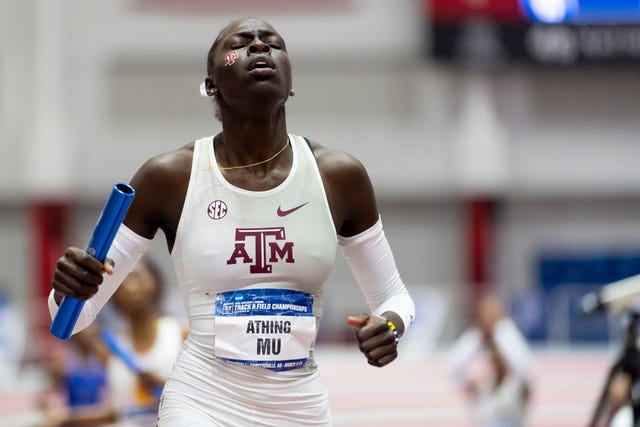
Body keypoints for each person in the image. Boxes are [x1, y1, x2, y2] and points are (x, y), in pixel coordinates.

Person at [48, 17, 415, 426]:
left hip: (300, 409)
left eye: (272, 43)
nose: (260, 47)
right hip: (202, 403)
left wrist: (391, 326)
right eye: (241, 43)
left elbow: (394, 299)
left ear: (290, 83)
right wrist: (69, 287)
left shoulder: (338, 176)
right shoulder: (168, 177)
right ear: (211, 84)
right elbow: (72, 316)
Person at [45, 257, 187, 427]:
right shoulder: (110, 349)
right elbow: (120, 412)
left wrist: (164, 386)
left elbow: (209, 395)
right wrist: (65, 419)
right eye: (122, 282)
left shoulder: (182, 334)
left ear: (156, 283)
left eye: (137, 277)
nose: (129, 286)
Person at [449, 291, 533, 427]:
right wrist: (465, 385)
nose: (489, 318)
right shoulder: (475, 338)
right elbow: (454, 364)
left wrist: (499, 331)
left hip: (509, 414)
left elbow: (525, 368)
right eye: (485, 313)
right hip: (484, 415)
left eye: (493, 312)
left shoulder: (507, 334)